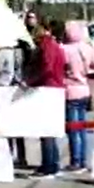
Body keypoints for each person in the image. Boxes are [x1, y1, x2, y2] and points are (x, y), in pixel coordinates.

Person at [62, 20, 94, 172]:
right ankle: (83, 159)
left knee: (72, 128)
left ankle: (75, 161)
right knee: (82, 127)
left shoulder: (64, 49)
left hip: (70, 91)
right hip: (84, 89)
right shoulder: (87, 48)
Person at [31, 21, 66, 178]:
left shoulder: (47, 46)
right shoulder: (52, 45)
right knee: (49, 130)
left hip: (48, 89)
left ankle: (49, 166)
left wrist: (30, 81)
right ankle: (52, 163)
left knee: (46, 130)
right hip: (54, 88)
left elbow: (47, 67)